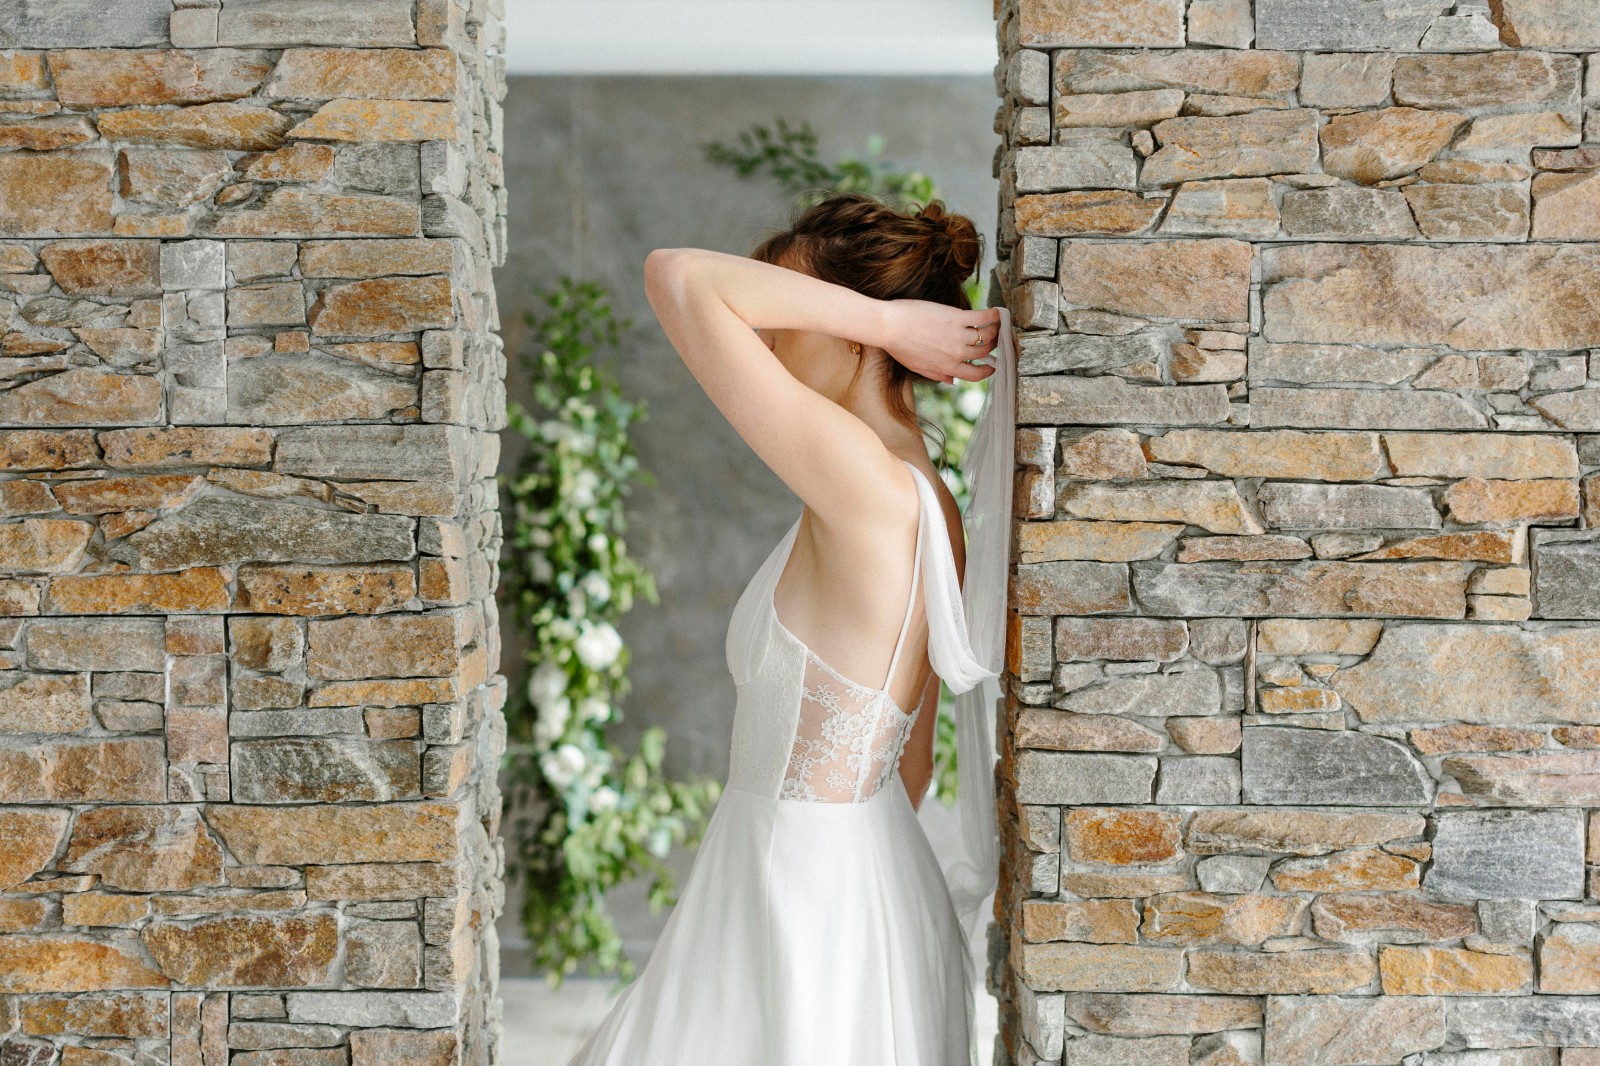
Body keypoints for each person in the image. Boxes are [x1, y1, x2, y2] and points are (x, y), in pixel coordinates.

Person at [567, 192, 1016, 1066]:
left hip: (794, 885)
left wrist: (883, 320)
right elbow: (912, 768)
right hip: (864, 874)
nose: (766, 337)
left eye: (787, 309)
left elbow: (679, 276)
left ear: (859, 330)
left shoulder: (862, 479)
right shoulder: (927, 501)